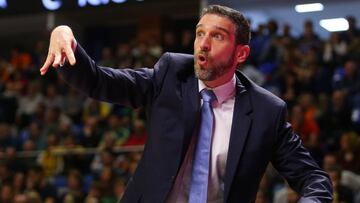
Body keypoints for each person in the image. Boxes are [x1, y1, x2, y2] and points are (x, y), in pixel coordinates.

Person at [40, 5, 333, 203]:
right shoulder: (171, 74)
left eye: (217, 36)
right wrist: (64, 36)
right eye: (200, 33)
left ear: (241, 54)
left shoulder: (267, 111)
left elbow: (313, 179)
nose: (203, 44)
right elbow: (101, 81)